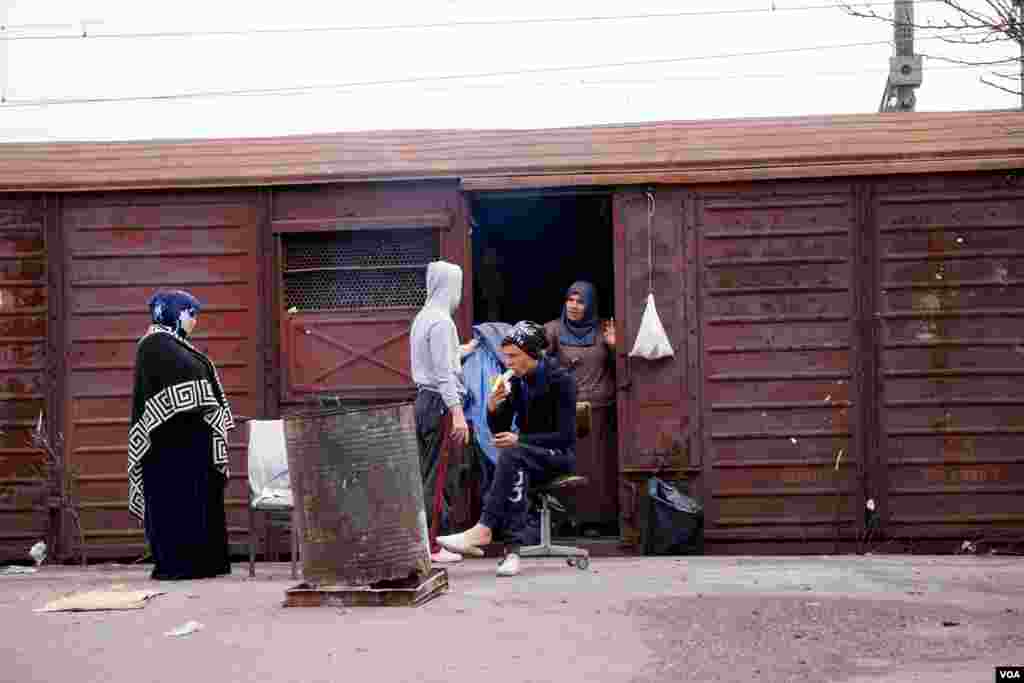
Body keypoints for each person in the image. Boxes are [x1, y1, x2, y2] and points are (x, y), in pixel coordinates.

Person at [437, 321, 577, 577]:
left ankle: (487, 530)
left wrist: (521, 440)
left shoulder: (562, 381)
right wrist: (493, 407)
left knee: (513, 455)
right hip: (525, 456)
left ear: (532, 353)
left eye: (513, 356)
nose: (508, 361)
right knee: (515, 462)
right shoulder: (517, 380)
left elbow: (565, 437)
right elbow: (499, 430)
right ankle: (511, 552)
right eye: (506, 356)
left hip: (557, 456)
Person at [128, 290, 234, 581]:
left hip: (190, 445)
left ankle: (205, 562)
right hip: (168, 449)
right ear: (173, 313)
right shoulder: (154, 345)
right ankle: (179, 565)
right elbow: (180, 387)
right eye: (190, 313)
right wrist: (204, 399)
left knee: (199, 502)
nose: (194, 320)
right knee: (176, 504)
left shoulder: (177, 344)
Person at [410, 260, 477, 564]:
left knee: (427, 473)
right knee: (438, 479)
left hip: (425, 401)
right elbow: (443, 374)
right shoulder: (441, 323)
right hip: (440, 404)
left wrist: (465, 349)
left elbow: (440, 358)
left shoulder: (424, 318)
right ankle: (433, 546)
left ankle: (430, 540)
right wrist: (458, 414)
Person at [544, 281, 619, 536]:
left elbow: (622, 370)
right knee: (566, 465)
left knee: (596, 466)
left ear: (590, 305)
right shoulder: (553, 330)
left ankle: (595, 521)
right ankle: (564, 520)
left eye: (581, 301)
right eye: (571, 300)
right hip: (566, 409)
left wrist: (612, 346)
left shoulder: (602, 331)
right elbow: (537, 364)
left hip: (599, 409)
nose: (574, 306)